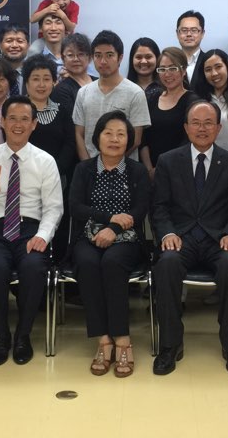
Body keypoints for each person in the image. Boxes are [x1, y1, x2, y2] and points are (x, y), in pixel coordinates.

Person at [0, 97, 63, 366]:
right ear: (2, 122)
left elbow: (54, 208)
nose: (18, 124)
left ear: (34, 124)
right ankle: (1, 335)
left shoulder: (45, 161)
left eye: (25, 119)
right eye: (12, 118)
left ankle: (23, 335)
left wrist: (42, 236)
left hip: (31, 229)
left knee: (33, 267)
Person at [151, 101, 228, 377]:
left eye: (209, 123)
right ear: (186, 127)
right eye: (196, 123)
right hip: (181, 238)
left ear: (218, 128)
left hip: (218, 240)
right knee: (167, 264)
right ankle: (170, 345)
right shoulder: (168, 161)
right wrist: (168, 233)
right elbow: (159, 207)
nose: (202, 128)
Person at [69, 111, 151, 378]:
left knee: (113, 262)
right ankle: (103, 339)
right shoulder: (84, 169)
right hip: (88, 235)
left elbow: (140, 210)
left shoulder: (137, 171)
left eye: (121, 134)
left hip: (127, 238)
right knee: (87, 262)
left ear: (129, 140)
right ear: (97, 137)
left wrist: (114, 229)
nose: (114, 139)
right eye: (108, 133)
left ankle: (122, 339)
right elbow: (76, 207)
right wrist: (109, 219)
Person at [24, 54, 77, 259]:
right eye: (35, 79)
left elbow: (70, 143)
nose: (41, 84)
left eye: (46, 79)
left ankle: (57, 262)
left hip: (57, 177)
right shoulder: (18, 110)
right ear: (26, 82)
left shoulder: (63, 110)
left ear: (54, 82)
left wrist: (54, 171)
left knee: (57, 219)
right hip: (24, 177)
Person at [73, 30, 151, 161]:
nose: (103, 61)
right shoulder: (83, 93)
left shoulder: (135, 93)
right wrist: (89, 166)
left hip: (124, 167)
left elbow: (136, 139)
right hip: (89, 167)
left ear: (120, 58)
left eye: (109, 55)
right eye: (98, 55)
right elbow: (79, 134)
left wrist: (109, 164)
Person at [140, 47, 194, 178]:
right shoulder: (152, 98)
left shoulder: (193, 101)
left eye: (173, 68)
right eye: (162, 69)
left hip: (181, 172)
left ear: (184, 70)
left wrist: (163, 169)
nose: (167, 74)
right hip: (151, 173)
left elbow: (189, 140)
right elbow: (144, 137)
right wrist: (149, 169)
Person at [53, 33, 94, 114]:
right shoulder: (61, 90)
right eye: (70, 55)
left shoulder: (98, 82)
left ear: (89, 57)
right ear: (63, 59)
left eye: (81, 54)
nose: (76, 59)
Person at [0, 24, 29, 95]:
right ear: (0, 46)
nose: (14, 45)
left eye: (20, 41)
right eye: (9, 41)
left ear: (28, 46)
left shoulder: (34, 72)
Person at [176, 9, 206, 81]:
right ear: (177, 33)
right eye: (184, 30)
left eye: (194, 30)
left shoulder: (209, 61)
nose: (189, 34)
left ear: (202, 33)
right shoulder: (170, 61)